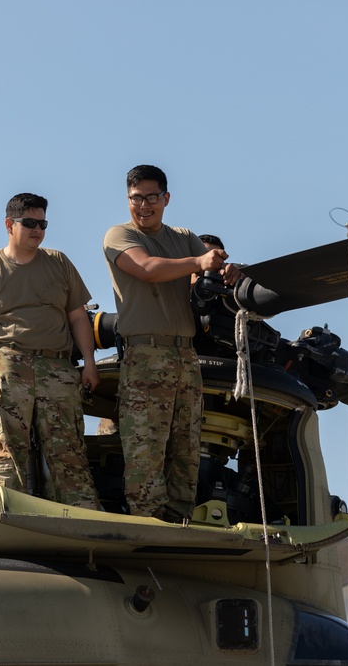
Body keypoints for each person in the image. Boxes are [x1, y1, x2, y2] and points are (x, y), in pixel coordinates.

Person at [102, 165, 242, 520]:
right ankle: (147, 521)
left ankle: (179, 518)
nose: (144, 205)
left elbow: (203, 274)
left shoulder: (183, 236)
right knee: (146, 449)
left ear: (166, 198)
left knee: (186, 448)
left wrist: (227, 271)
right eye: (136, 198)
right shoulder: (119, 235)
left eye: (151, 197)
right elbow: (147, 268)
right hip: (145, 355)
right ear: (128, 199)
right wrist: (199, 260)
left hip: (185, 356)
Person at [0, 192, 101, 510]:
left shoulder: (59, 263)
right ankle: (10, 519)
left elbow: (78, 316)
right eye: (30, 223)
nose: (38, 229)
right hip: (10, 364)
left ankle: (82, 521)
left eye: (43, 224)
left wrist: (89, 362)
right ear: (10, 225)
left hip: (58, 367)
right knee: (7, 450)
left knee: (69, 451)